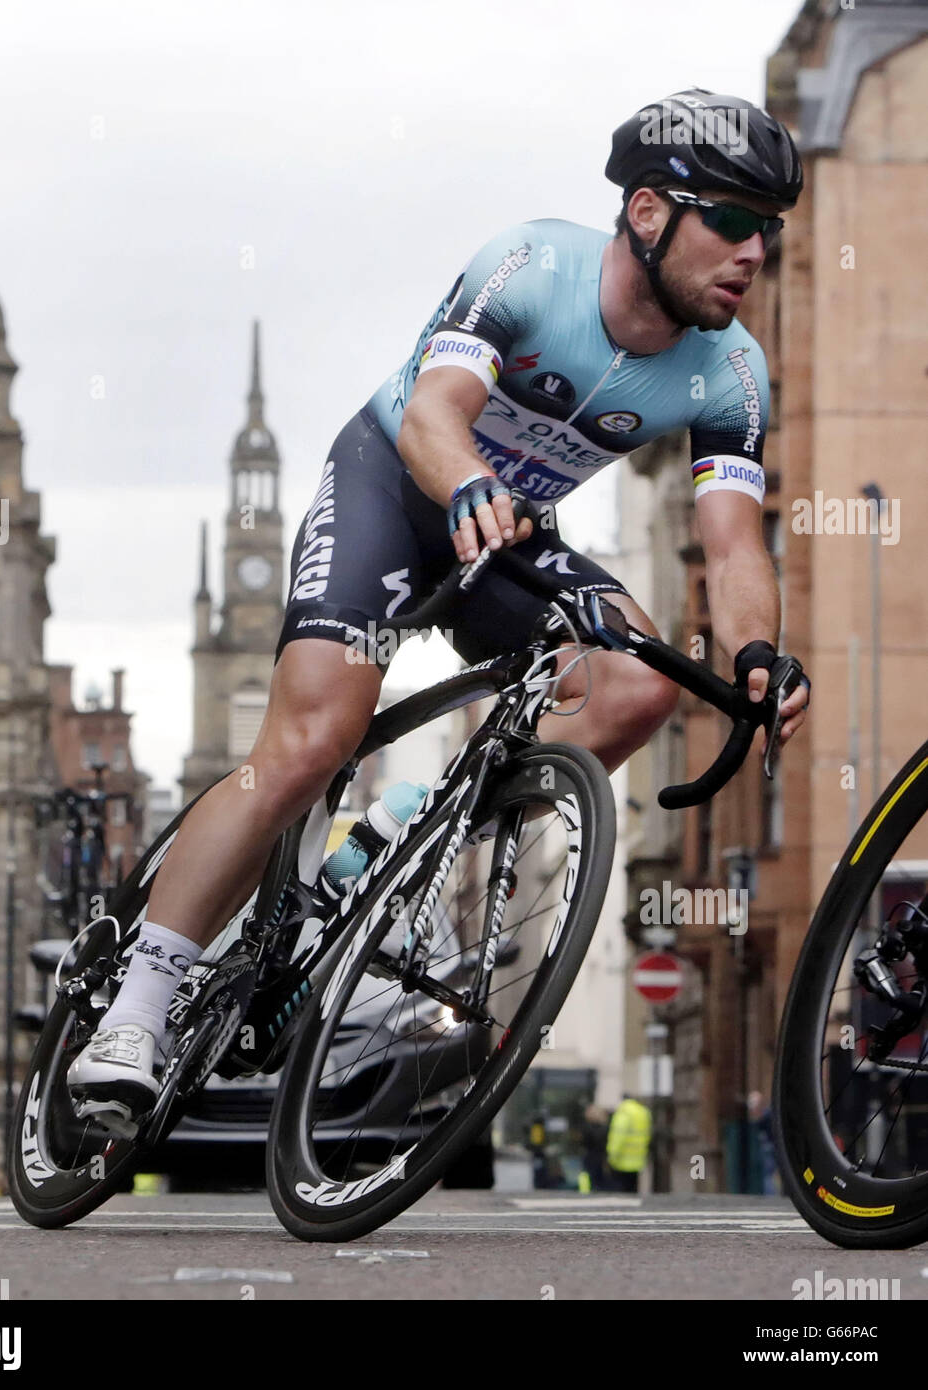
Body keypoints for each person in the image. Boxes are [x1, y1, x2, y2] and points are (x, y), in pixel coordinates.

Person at [69, 88, 811, 1127]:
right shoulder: (529, 268)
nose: (752, 252)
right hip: (400, 483)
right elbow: (431, 414)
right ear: (647, 214)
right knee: (309, 740)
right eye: (731, 220)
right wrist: (464, 479)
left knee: (643, 676)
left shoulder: (731, 368)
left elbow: (732, 541)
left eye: (768, 229)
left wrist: (758, 655)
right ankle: (135, 1009)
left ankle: (401, 831)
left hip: (508, 529)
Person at [606, 1094, 653, 1192]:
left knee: (621, 1190)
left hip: (621, 1160)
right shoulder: (643, 1112)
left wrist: (611, 1156)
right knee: (633, 1188)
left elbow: (618, 1136)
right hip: (638, 1159)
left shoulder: (623, 1112)